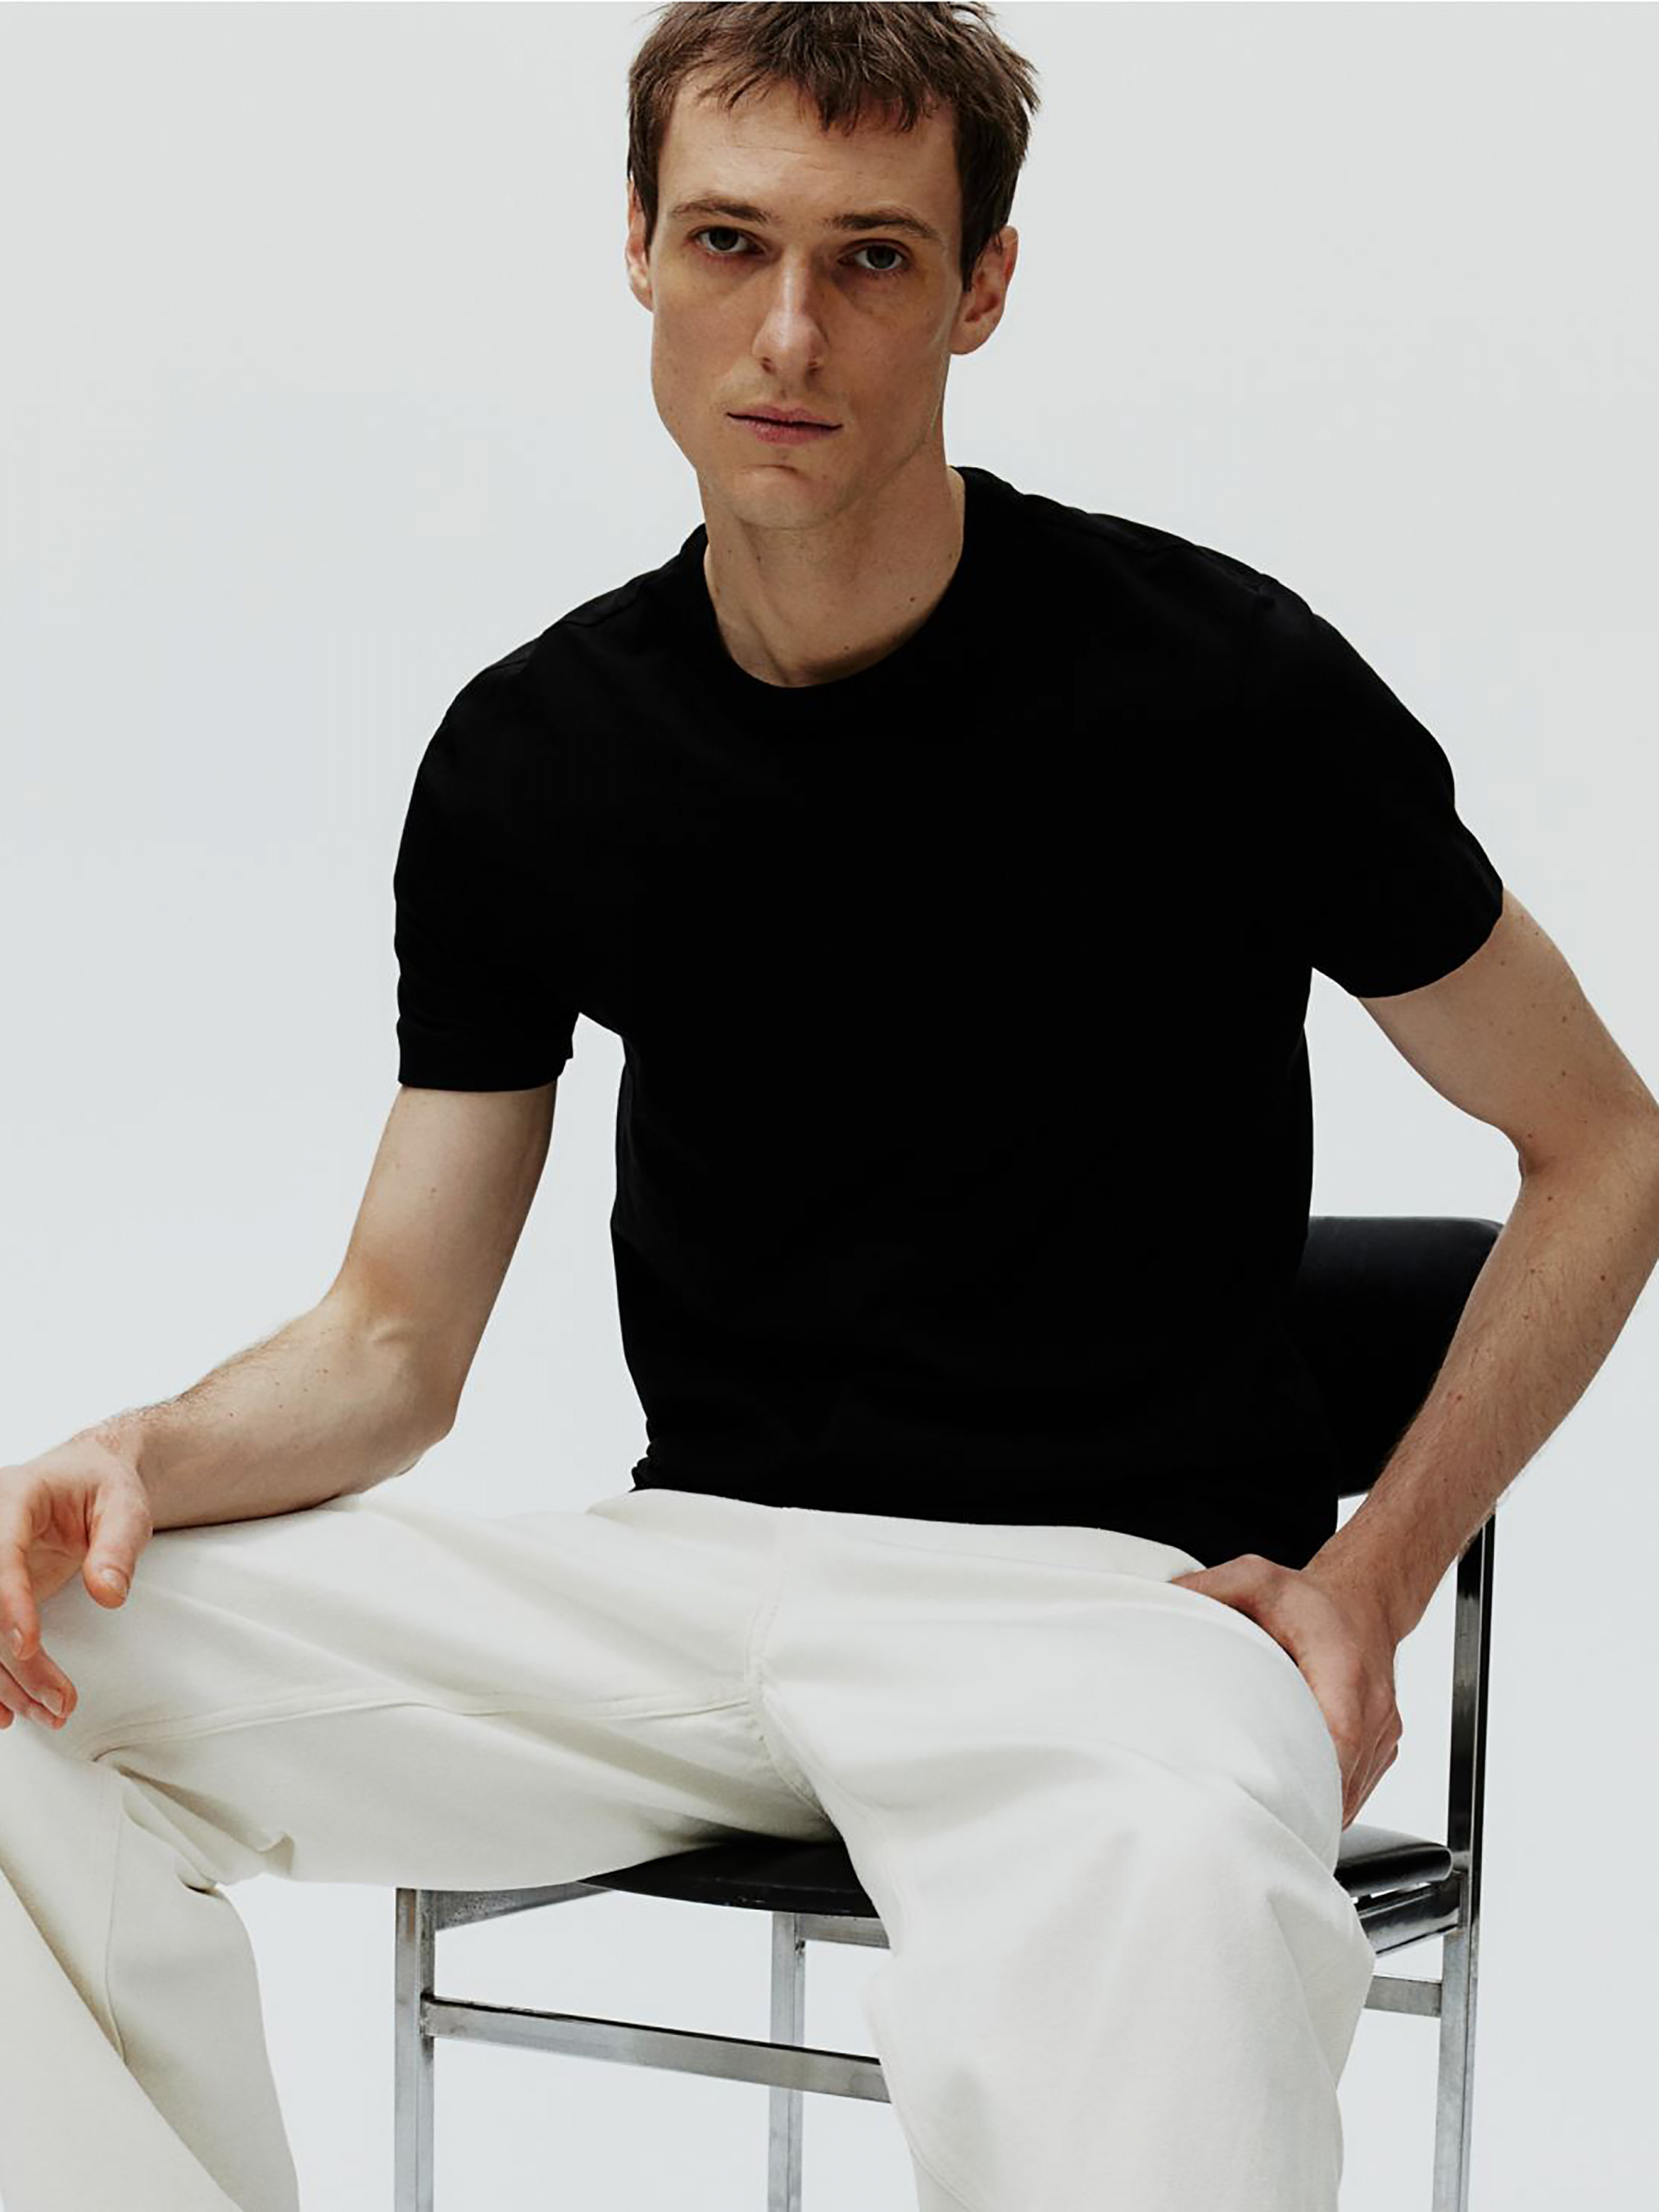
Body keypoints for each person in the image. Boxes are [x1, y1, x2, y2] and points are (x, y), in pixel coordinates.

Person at [6, 7, 1659, 2210]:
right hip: (683, 1593)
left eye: (872, 258)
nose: (787, 330)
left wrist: (1376, 1575)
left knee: (1174, 1884)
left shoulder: (1223, 690)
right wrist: (143, 1449)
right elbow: (395, 1339)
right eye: (729, 240)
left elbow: (1606, 1144)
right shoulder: (533, 752)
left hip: (1106, 1614)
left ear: (982, 287)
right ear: (637, 246)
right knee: (17, 1662)